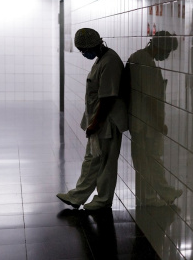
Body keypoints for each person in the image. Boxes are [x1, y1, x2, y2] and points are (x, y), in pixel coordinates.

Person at [57, 28, 128, 211]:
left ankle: (103, 200)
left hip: (107, 121)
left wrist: (96, 124)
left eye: (84, 50)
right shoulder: (101, 59)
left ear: (96, 44)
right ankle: (77, 196)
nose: (83, 54)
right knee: (92, 160)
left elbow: (107, 99)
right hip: (98, 120)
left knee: (105, 163)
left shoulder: (110, 62)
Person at [126, 31, 183, 206]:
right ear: (158, 47)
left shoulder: (137, 56)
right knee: (150, 160)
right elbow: (151, 99)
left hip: (138, 120)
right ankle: (151, 197)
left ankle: (163, 193)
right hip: (146, 123)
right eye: (166, 51)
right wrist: (160, 123)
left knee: (147, 160)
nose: (166, 56)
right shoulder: (146, 64)